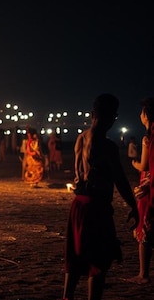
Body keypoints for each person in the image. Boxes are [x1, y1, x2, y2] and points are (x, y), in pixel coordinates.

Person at [63, 93, 139, 300]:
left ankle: (67, 296)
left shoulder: (80, 138)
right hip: (96, 208)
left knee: (75, 258)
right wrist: (134, 205)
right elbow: (121, 181)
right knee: (99, 262)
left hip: (78, 205)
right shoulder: (108, 146)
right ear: (112, 117)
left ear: (92, 114)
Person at [128, 97, 154, 284]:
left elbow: (145, 164)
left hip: (150, 187)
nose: (140, 116)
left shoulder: (148, 138)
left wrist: (134, 163)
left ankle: (143, 274)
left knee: (145, 228)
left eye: (142, 113)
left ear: (147, 115)